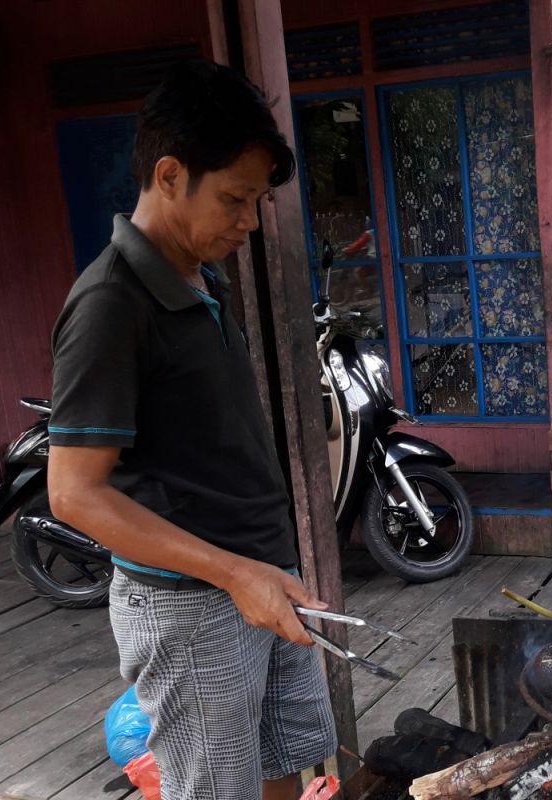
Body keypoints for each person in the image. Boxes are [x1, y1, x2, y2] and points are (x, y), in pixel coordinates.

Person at [47, 59, 336, 800]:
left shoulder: (203, 278)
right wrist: (235, 574)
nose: (249, 221)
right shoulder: (111, 303)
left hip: (263, 577)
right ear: (169, 176)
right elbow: (75, 495)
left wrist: (260, 569)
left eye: (257, 200)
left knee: (283, 762)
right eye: (236, 199)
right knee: (216, 789)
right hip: (189, 605)